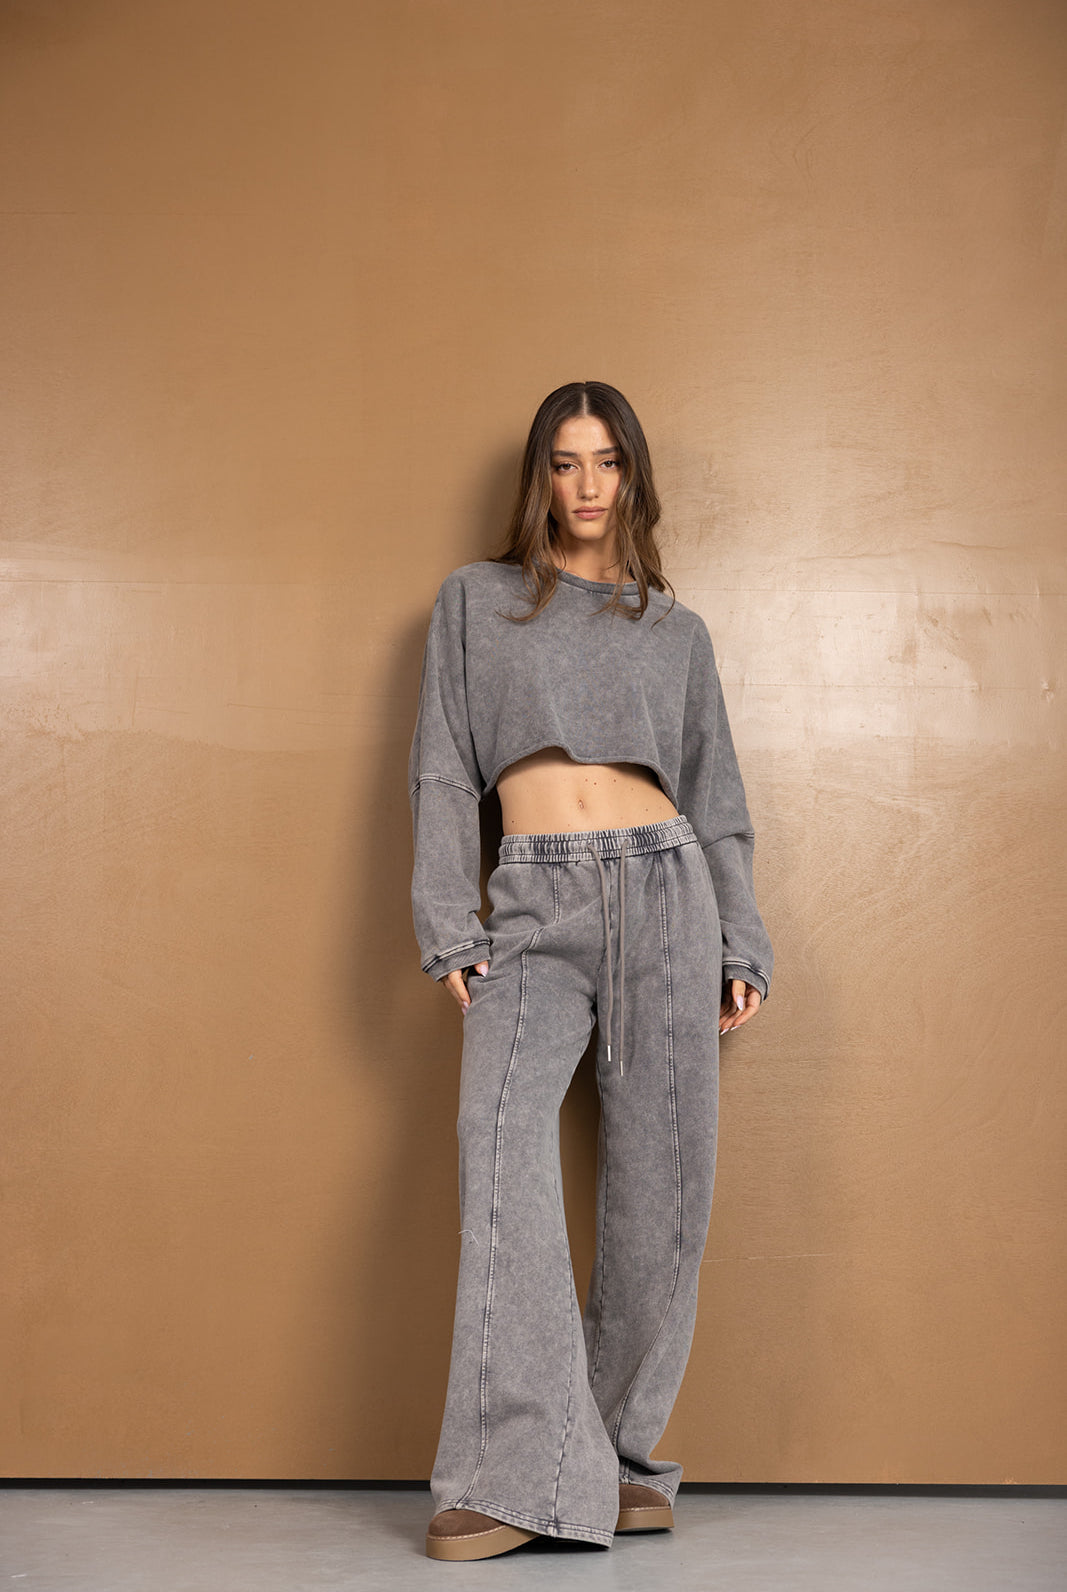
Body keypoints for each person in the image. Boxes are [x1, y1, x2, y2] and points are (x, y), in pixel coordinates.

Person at [407, 381, 773, 1561]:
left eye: (605, 461)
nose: (584, 485)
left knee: (663, 1190)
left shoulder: (674, 630)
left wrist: (741, 937)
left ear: (631, 475)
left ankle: (612, 1456)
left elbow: (715, 796)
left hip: (668, 890)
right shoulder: (475, 602)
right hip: (534, 901)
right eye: (563, 462)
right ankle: (512, 1473)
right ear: (538, 476)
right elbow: (440, 770)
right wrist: (446, 918)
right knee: (496, 1145)